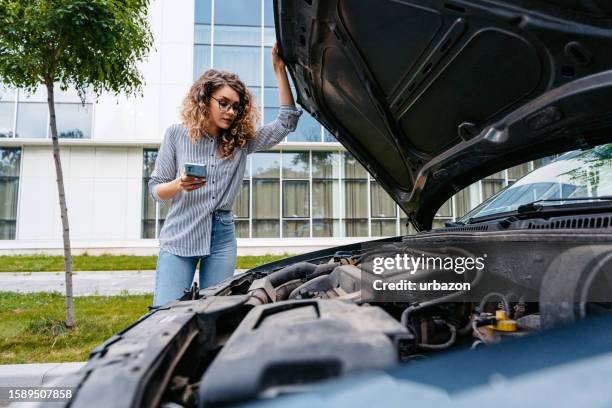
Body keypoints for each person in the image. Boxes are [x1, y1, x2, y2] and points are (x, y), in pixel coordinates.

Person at [149, 43, 301, 306]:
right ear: (204, 100)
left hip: (222, 236)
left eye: (235, 107)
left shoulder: (241, 141)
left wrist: (279, 70)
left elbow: (285, 123)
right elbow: (156, 190)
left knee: (215, 311)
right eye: (223, 103)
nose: (230, 112)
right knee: (166, 311)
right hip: (180, 233)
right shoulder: (176, 134)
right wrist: (178, 185)